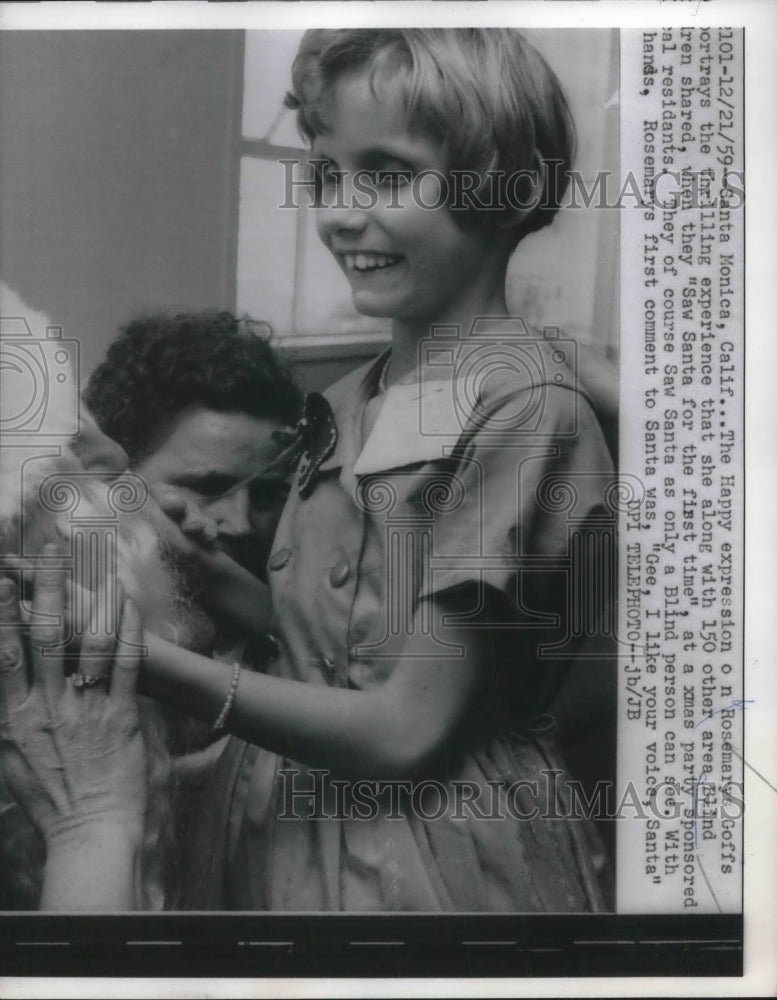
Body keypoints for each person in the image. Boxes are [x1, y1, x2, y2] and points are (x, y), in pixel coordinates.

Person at [131, 28, 617, 911]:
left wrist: (148, 661)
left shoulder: (521, 405)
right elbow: (335, 636)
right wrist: (163, 556)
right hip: (288, 823)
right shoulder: (356, 396)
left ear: (506, 191)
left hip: (428, 853)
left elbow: (404, 729)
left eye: (386, 176)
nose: (338, 213)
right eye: (324, 176)